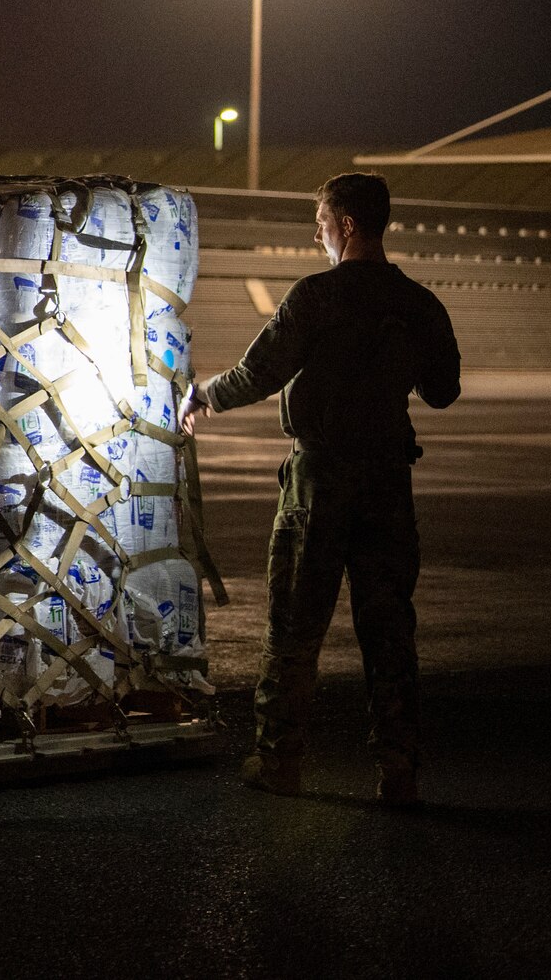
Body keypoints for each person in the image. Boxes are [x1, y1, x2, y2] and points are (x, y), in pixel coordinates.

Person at [182, 173, 460, 807]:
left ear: (349, 226)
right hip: (388, 483)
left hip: (319, 483)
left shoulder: (316, 296)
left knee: (294, 626)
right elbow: (443, 390)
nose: (318, 231)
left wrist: (203, 396)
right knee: (389, 631)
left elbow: (260, 372)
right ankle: (399, 770)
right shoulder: (418, 304)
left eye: (323, 220)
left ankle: (279, 760)